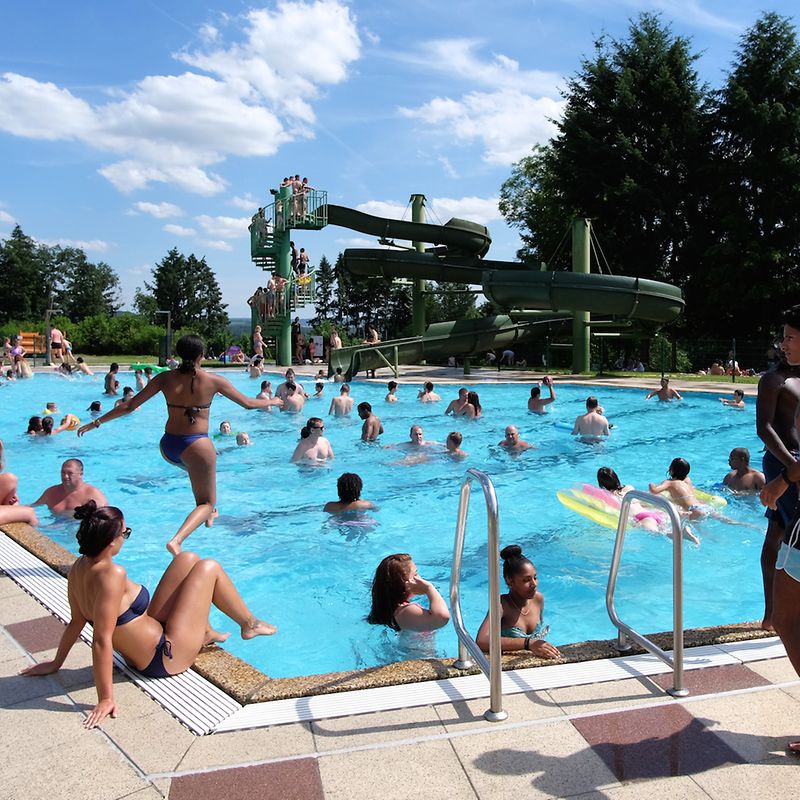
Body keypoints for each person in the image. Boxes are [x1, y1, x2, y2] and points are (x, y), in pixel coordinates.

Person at [21, 501, 276, 728]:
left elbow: (77, 621)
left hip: (153, 635)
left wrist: (56, 663)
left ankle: (206, 632)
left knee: (187, 559)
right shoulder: (112, 576)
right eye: (125, 533)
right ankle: (248, 624)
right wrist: (105, 698)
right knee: (208, 568)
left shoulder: (79, 567)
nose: (125, 537)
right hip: (165, 656)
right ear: (111, 542)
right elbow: (101, 640)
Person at [77, 335, 282, 555]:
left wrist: (96, 422)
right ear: (201, 356)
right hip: (196, 447)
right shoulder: (214, 381)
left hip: (168, 446)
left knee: (201, 484)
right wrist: (273, 401)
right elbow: (249, 404)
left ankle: (209, 513)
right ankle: (178, 539)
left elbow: (129, 406)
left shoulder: (164, 379)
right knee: (206, 502)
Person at [758, 305, 800, 638]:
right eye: (783, 337)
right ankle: (776, 612)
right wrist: (790, 468)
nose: (783, 344)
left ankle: (772, 614)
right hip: (782, 462)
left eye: (790, 337)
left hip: (795, 467)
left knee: (776, 533)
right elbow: (765, 429)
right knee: (785, 535)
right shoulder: (774, 379)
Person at [476, 545, 560, 658]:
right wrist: (528, 643)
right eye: (526, 580)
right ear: (509, 581)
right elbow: (481, 641)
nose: (534, 584)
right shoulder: (502, 605)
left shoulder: (538, 599)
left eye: (535, 578)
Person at [367, 553, 450, 632]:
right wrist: (429, 588)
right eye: (415, 574)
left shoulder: (391, 609)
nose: (420, 578)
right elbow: (442, 618)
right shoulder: (406, 612)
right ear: (404, 584)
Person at [32, 459, 107, 514]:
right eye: (63, 472)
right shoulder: (51, 492)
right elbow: (34, 506)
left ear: (80, 474)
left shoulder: (92, 494)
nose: (65, 476)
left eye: (70, 473)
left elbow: (106, 518)